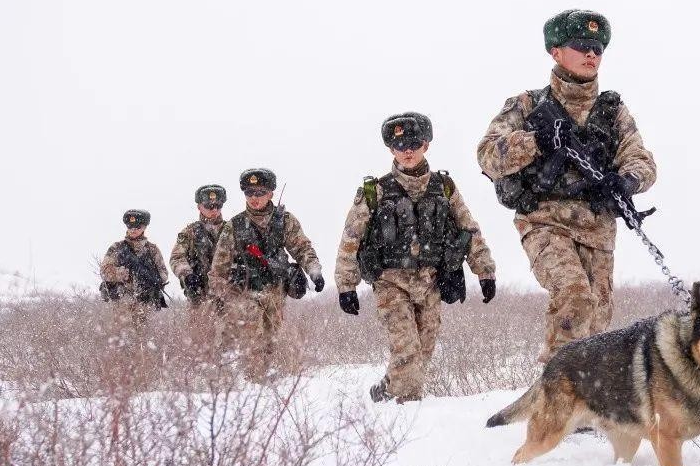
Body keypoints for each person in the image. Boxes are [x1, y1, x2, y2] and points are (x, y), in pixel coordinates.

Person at [477, 10, 657, 362]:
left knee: (596, 327)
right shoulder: (528, 105)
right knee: (575, 297)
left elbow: (642, 159)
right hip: (545, 221)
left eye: (598, 48)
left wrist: (625, 180)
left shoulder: (612, 111)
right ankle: (558, 397)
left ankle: (584, 406)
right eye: (581, 46)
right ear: (556, 51)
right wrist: (536, 142)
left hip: (597, 228)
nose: (592, 54)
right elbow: (487, 156)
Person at [335, 112, 496, 403]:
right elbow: (351, 238)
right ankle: (408, 413)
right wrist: (346, 286)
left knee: (423, 352)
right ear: (390, 149)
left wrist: (484, 271)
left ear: (426, 145)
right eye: (400, 145)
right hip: (390, 283)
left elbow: (468, 228)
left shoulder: (444, 188)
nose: (407, 150)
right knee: (407, 352)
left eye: (414, 143)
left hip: (431, 282)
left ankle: (385, 389)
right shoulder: (376, 191)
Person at [208, 168, 325, 380]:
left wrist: (314, 271)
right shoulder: (234, 226)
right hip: (243, 294)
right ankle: (251, 382)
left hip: (275, 293)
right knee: (252, 338)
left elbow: (302, 248)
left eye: (260, 192)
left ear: (271, 193)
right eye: (249, 193)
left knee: (271, 340)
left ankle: (264, 385)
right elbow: (219, 268)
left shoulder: (284, 220)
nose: (254, 198)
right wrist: (220, 297)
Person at [169, 184, 227, 349]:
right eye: (209, 206)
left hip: (229, 296)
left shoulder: (232, 230)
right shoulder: (190, 232)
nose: (214, 209)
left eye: (218, 205)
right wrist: (187, 275)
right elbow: (176, 257)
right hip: (200, 297)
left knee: (231, 345)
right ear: (199, 206)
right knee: (200, 345)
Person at [100, 209, 170, 331]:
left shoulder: (152, 250)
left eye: (137, 227)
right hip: (123, 303)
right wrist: (124, 272)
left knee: (144, 339)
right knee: (121, 338)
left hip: (146, 303)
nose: (133, 229)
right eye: (130, 226)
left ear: (144, 227)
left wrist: (151, 278)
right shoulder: (117, 248)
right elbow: (105, 270)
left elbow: (164, 273)